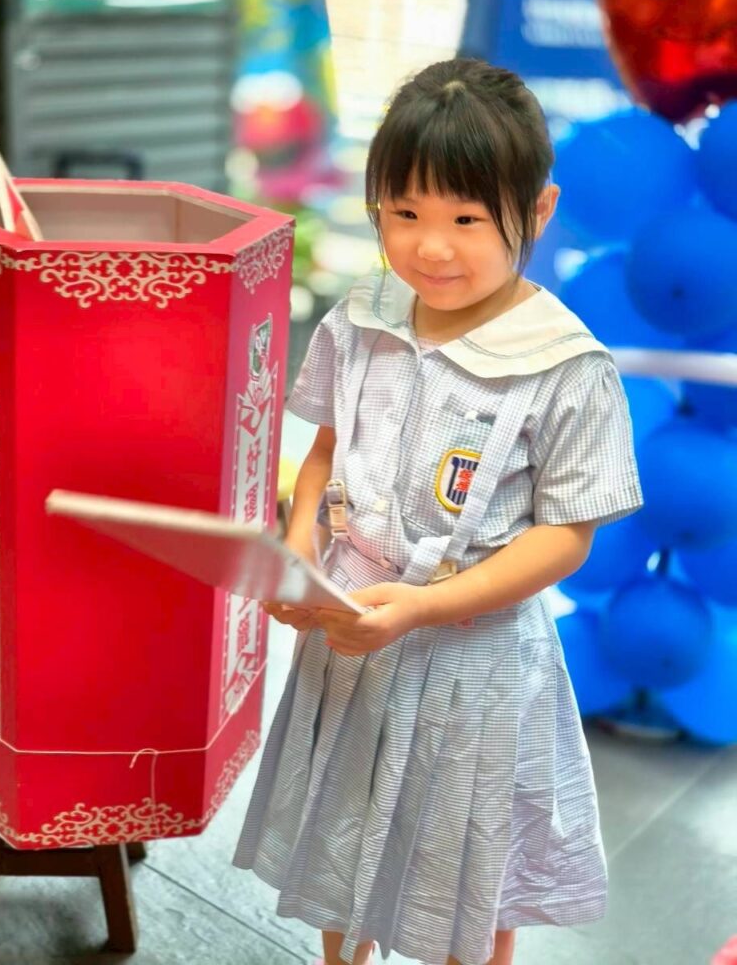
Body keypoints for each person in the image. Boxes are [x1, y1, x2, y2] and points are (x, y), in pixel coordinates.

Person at [233, 58, 643, 965]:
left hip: (472, 660)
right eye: (405, 212)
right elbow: (328, 449)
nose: (432, 247)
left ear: (537, 210)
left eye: (467, 218)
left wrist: (422, 607)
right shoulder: (362, 317)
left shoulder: (567, 366)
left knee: (465, 863)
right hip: (351, 630)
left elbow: (564, 538)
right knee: (342, 832)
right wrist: (297, 552)